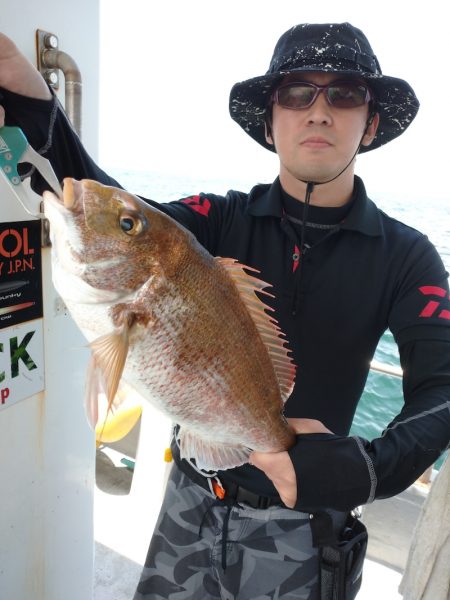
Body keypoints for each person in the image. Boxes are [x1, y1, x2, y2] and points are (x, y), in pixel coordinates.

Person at [1, 22, 449, 600]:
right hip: (191, 499)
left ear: (371, 123)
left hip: (308, 523)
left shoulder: (408, 256)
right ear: (270, 121)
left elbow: (442, 389)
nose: (318, 112)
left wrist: (361, 468)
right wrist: (29, 91)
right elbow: (116, 219)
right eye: (295, 94)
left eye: (343, 94)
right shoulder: (218, 217)